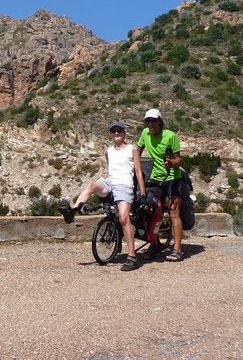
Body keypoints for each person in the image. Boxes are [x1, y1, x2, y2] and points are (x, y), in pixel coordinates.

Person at [58, 121, 139, 271]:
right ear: (110, 133)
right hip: (110, 183)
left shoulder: (132, 149)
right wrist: (107, 182)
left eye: (119, 131)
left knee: (123, 218)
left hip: (125, 185)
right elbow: (109, 169)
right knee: (91, 185)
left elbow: (138, 172)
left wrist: (143, 192)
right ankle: (73, 211)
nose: (116, 133)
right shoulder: (108, 151)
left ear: (124, 132)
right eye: (113, 131)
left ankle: (132, 256)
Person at [134, 108, 185, 262]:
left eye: (153, 120)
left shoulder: (170, 136)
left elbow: (179, 160)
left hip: (172, 177)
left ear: (160, 121)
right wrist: (135, 165)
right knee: (149, 207)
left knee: (173, 211)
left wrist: (172, 163)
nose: (150, 124)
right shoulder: (145, 134)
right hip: (156, 178)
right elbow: (137, 148)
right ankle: (155, 245)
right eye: (147, 121)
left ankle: (177, 249)